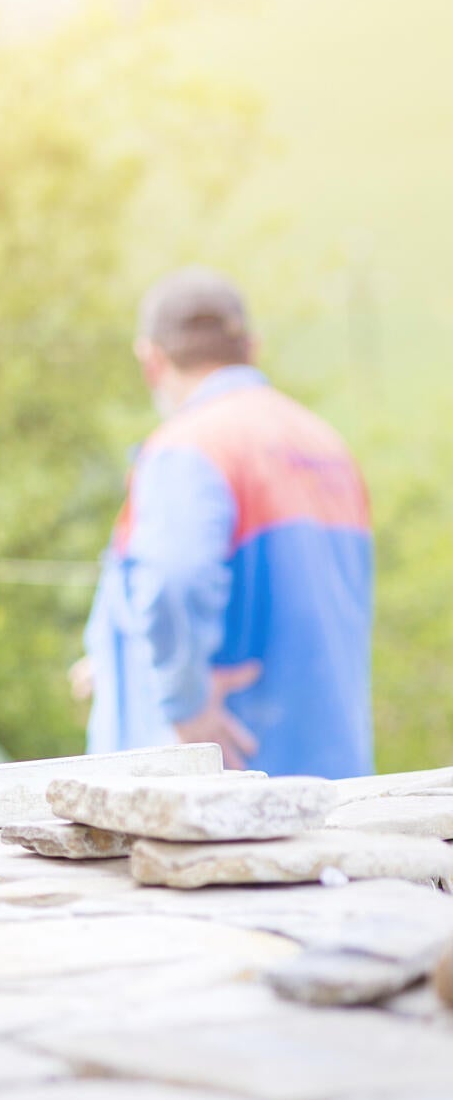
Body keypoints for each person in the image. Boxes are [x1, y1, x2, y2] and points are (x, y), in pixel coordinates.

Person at [78, 267, 373, 778]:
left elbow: (174, 578)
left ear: (151, 360)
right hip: (333, 778)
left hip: (224, 793)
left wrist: (184, 704)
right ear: (251, 348)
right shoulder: (326, 445)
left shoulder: (190, 446)